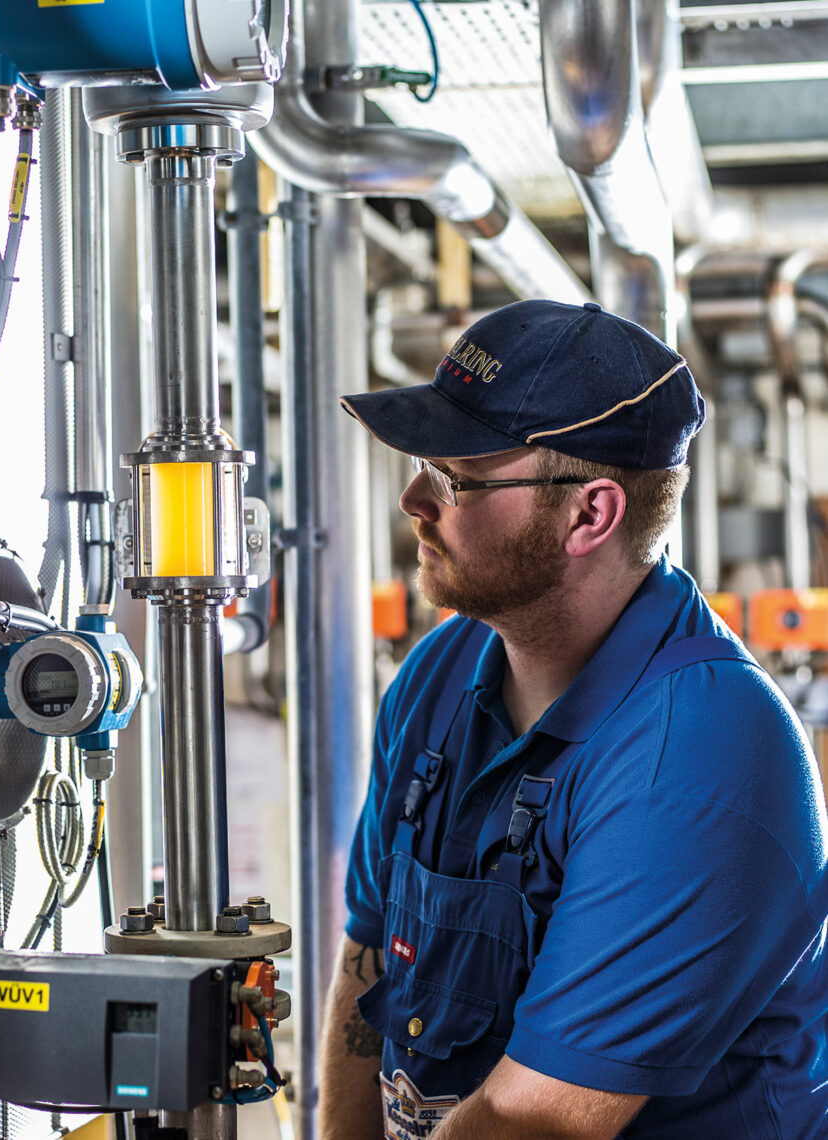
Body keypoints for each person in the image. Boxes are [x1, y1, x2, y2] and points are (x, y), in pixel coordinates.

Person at [326, 299, 828, 1140]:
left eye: (455, 476)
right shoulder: (438, 673)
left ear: (590, 514)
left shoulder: (701, 756)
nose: (413, 499)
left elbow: (531, 1124)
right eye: (421, 464)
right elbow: (367, 959)